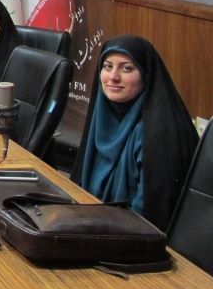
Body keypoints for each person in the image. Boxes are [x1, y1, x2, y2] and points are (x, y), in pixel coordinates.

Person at [74, 35, 198, 231]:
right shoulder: (102, 115)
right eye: (107, 66)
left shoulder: (158, 133)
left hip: (132, 236)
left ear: (145, 76)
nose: (113, 77)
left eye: (127, 69)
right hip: (91, 223)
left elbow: (149, 220)